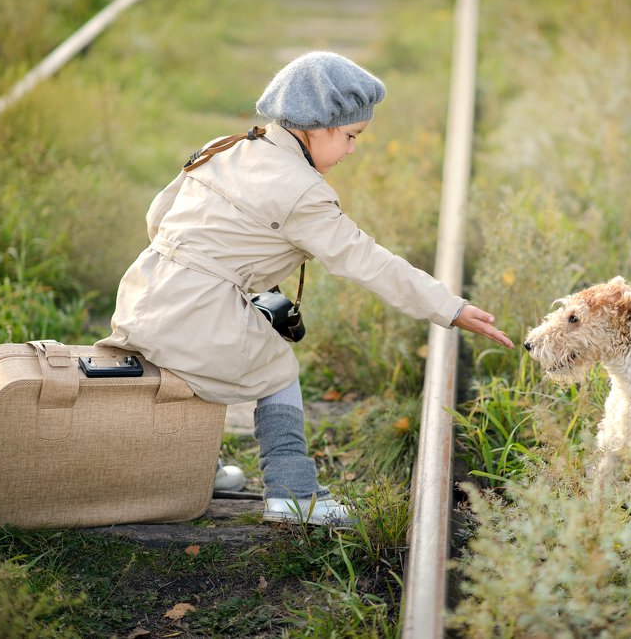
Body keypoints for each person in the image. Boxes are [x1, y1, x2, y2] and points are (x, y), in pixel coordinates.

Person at [98, 51, 513, 527]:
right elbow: (368, 261)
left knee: (196, 360)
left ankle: (187, 469)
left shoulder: (226, 146)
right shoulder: (302, 191)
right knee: (276, 369)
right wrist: (451, 308)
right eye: (351, 136)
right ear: (316, 125)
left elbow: (159, 215)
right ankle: (292, 493)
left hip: (143, 293)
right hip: (198, 310)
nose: (353, 150)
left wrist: (214, 270)